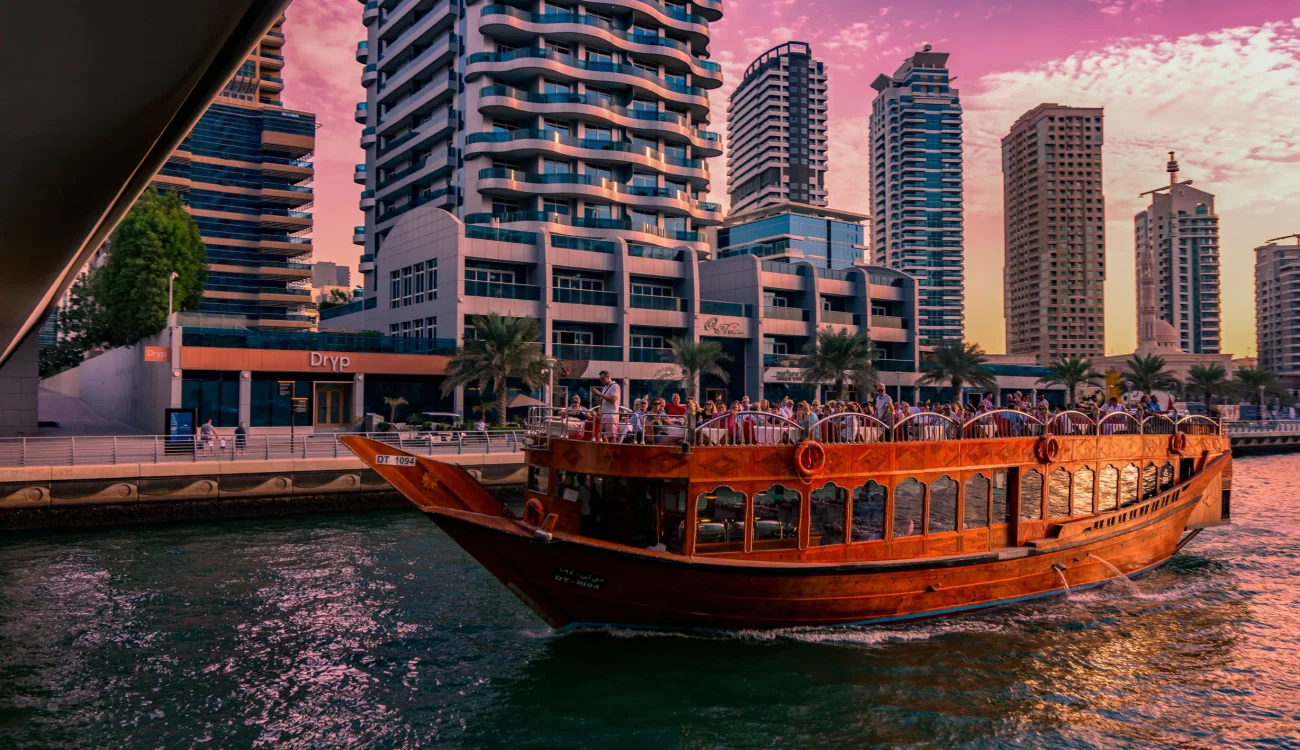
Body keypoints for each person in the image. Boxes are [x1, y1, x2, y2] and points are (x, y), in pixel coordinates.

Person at [595, 371, 621, 442]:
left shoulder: (615, 386)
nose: (601, 380)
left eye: (602, 378)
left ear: (608, 377)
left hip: (611, 415)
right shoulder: (605, 387)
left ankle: (613, 452)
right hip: (605, 415)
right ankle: (608, 451)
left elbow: (613, 400)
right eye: (600, 379)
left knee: (611, 437)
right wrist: (598, 398)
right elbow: (603, 402)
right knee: (602, 435)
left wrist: (600, 394)